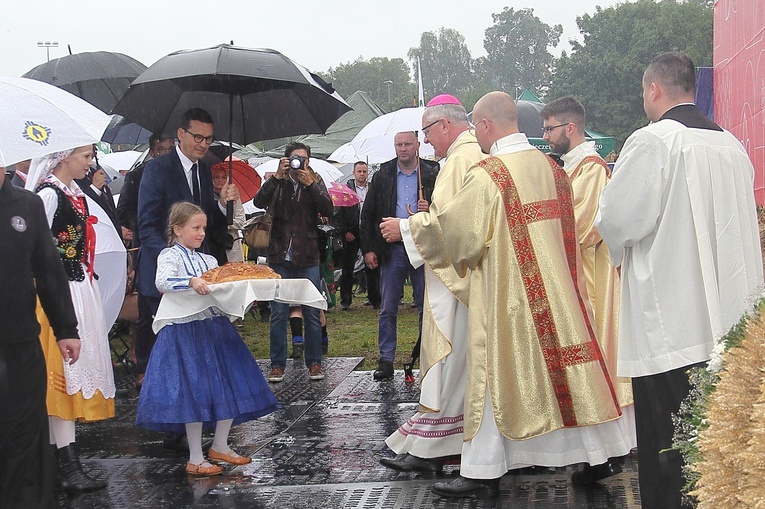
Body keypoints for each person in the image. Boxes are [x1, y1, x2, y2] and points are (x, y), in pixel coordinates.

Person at [382, 91, 632, 499]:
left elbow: (458, 236)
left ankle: (482, 469)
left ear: (484, 126)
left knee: (494, 377)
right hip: (560, 296)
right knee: (569, 375)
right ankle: (599, 454)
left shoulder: (490, 174)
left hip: (510, 300)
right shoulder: (552, 169)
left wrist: (412, 229)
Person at [595, 52, 763, 508]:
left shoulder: (654, 141)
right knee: (720, 440)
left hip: (671, 320)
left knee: (668, 446)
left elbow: (616, 218)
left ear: (654, 89)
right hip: (730, 318)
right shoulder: (732, 144)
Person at [379, 94, 484, 471]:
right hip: (462, 277)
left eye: (426, 133)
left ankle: (438, 444)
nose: (425, 142)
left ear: (444, 124)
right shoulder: (470, 155)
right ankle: (437, 439)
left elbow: (452, 227)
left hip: (457, 282)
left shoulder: (459, 160)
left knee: (452, 360)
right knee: (458, 364)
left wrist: (404, 228)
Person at [136, 202, 278, 476]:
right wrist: (190, 281)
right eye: (195, 228)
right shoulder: (169, 255)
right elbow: (162, 282)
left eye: (203, 228)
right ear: (177, 229)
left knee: (228, 383)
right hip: (184, 331)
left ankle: (220, 445)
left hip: (214, 327)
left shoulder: (210, 260)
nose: (201, 233)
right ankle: (195, 456)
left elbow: (222, 291)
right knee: (195, 391)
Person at [540, 96, 636, 483]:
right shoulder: (570, 167)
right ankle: (594, 448)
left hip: (593, 281)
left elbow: (582, 226)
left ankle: (613, 447)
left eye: (549, 129)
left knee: (600, 361)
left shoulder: (592, 168)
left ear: (571, 128)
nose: (546, 138)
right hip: (579, 276)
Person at [136, 109, 239, 449]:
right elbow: (147, 224)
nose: (203, 144)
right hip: (167, 276)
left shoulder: (205, 172)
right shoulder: (157, 169)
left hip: (201, 279)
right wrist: (176, 255)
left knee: (197, 354)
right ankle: (171, 423)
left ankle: (194, 420)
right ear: (180, 134)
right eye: (198, 138)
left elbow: (209, 228)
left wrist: (224, 206)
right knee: (168, 357)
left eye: (209, 139)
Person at [25, 147, 116, 493]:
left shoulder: (73, 194)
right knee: (61, 377)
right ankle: (63, 464)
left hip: (77, 286)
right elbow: (36, 250)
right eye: (84, 155)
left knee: (69, 375)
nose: (89, 162)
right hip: (58, 292)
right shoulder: (49, 196)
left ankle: (61, 462)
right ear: (62, 156)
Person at [0, 164, 81, 508]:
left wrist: (66, 328)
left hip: (19, 341)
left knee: (24, 433)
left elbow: (49, 269)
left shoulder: (28, 205)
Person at [360, 132, 439, 380]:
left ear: (417, 145)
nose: (403, 149)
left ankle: (427, 356)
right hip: (392, 246)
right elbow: (368, 214)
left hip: (423, 245)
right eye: (399, 145)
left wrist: (431, 206)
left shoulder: (432, 172)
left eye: (407, 144)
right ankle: (386, 359)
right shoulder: (383, 174)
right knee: (388, 305)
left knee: (426, 305)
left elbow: (447, 208)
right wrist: (369, 248)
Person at [253, 142, 333, 383]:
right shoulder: (279, 180)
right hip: (280, 254)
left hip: (307, 254)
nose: (299, 163)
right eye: (294, 158)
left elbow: (328, 208)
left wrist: (310, 184)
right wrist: (277, 177)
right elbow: (258, 202)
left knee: (311, 309)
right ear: (286, 160)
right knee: (278, 312)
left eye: (303, 158)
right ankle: (277, 364)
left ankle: (315, 363)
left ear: (309, 161)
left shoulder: (314, 180)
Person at [116, 134, 175, 252]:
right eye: (161, 149)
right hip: (147, 243)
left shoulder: (183, 173)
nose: (166, 153)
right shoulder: (136, 177)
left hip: (177, 239)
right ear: (152, 152)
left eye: (170, 149)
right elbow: (124, 210)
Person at [334, 161, 367, 310]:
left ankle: (374, 297)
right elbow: (339, 213)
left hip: (367, 232)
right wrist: (345, 231)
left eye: (364, 171)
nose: (362, 174)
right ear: (354, 173)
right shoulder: (346, 190)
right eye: (359, 171)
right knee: (348, 267)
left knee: (371, 265)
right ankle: (345, 301)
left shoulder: (371, 189)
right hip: (351, 233)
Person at [210, 164, 246, 263]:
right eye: (216, 177)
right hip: (212, 245)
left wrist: (224, 224)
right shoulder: (207, 196)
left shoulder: (234, 198)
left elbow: (241, 221)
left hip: (231, 246)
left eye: (223, 177)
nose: (220, 180)